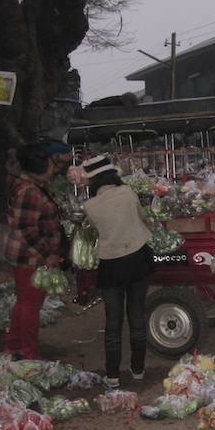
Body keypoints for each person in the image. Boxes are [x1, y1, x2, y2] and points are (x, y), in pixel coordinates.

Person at [79, 154, 153, 387]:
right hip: (138, 259)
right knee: (137, 316)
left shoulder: (89, 206)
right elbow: (143, 218)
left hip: (111, 264)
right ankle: (138, 369)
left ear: (93, 182)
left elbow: (95, 231)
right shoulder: (129, 193)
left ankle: (112, 374)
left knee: (113, 321)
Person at [4, 141, 72, 359]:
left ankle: (13, 346)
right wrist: (48, 253)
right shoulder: (29, 191)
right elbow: (26, 228)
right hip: (29, 257)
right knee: (30, 305)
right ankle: (28, 352)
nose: (54, 169)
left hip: (27, 255)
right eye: (50, 165)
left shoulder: (31, 185)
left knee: (25, 301)